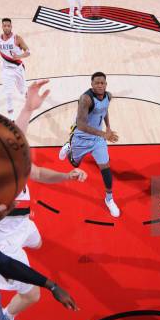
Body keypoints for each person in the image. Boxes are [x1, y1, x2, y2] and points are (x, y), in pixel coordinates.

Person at [0, 80, 87, 320]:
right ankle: (6, 317)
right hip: (1, 243)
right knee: (32, 294)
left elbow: (40, 172)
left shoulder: (16, 162)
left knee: (39, 242)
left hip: (22, 226)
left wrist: (68, 176)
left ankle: (26, 242)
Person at [58, 72, 120, 217]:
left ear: (106, 84)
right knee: (74, 164)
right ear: (91, 85)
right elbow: (80, 125)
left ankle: (109, 199)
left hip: (97, 139)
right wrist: (104, 134)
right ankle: (69, 148)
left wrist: (108, 127)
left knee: (105, 166)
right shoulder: (85, 99)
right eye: (97, 83)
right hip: (81, 137)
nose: (100, 85)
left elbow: (104, 111)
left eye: (102, 83)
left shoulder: (108, 96)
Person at [0, 18, 30, 117]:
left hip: (18, 68)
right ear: (2, 27)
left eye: (8, 26)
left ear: (11, 27)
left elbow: (28, 52)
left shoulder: (17, 38)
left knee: (22, 90)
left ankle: (26, 93)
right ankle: (11, 117)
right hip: (6, 70)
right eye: (5, 26)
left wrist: (19, 56)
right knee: (8, 93)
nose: (7, 27)